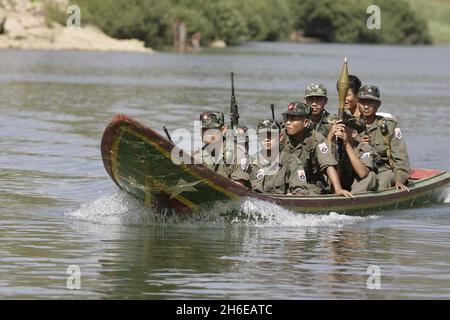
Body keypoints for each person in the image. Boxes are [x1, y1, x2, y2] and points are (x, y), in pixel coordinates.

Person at [281, 102, 353, 197]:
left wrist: (338, 189)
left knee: (303, 193)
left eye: (293, 119)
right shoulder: (281, 136)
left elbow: (328, 165)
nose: (288, 123)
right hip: (285, 181)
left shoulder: (317, 139)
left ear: (305, 122)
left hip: (309, 184)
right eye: (287, 118)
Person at [357, 85, 411, 191]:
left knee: (385, 179)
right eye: (363, 102)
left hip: (384, 170)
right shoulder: (350, 126)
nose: (366, 106)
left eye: (371, 102)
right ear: (358, 103)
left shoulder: (389, 126)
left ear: (378, 104)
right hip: (359, 171)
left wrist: (400, 180)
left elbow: (401, 158)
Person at [193, 111, 251, 187]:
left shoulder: (238, 153)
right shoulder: (197, 156)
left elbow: (239, 187)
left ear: (223, 130)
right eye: (204, 130)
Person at [330, 120, 378, 193]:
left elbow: (363, 173)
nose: (339, 133)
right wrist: (330, 136)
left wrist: (347, 145)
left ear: (354, 133)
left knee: (371, 176)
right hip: (338, 183)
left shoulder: (365, 148)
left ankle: (352, 199)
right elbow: (325, 156)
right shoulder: (335, 145)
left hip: (355, 185)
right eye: (337, 130)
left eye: (343, 130)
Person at [249, 119, 287, 194]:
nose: (266, 139)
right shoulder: (251, 161)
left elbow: (299, 189)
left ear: (280, 137)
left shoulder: (289, 161)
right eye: (263, 135)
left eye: (271, 135)